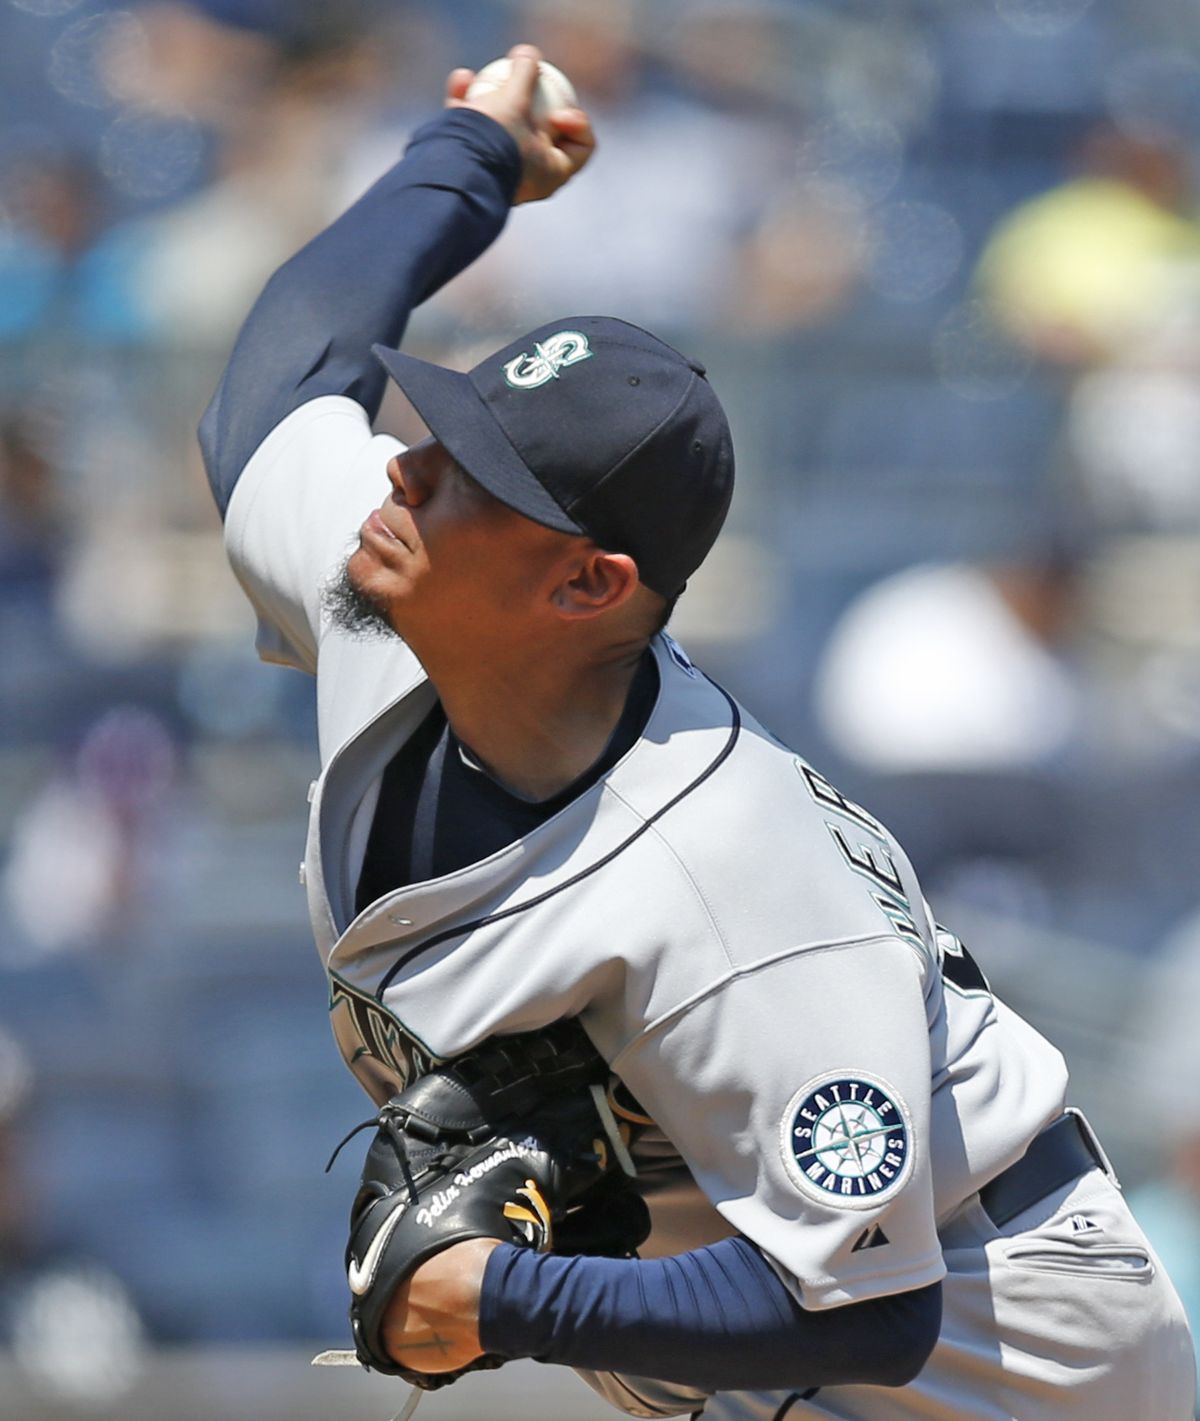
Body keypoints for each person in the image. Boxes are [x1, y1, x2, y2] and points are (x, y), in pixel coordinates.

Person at [199, 44, 1197, 1421]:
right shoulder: (397, 578)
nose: (406, 467)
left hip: (1008, 1354)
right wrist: (472, 161)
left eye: (471, 474)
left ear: (588, 583)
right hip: (753, 1334)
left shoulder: (731, 870)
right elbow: (279, 388)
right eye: (439, 426)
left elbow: (871, 1304)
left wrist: (493, 1299)